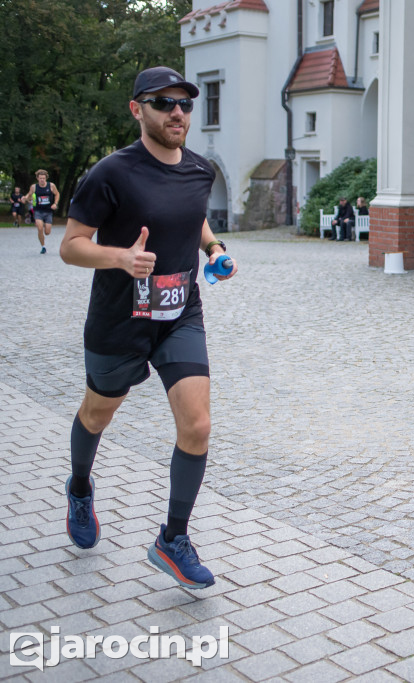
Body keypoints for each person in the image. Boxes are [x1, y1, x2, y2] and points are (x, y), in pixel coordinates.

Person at [59, 66, 237, 590]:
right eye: (163, 103)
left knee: (198, 425)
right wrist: (119, 258)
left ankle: (172, 539)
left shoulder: (200, 170)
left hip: (180, 312)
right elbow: (71, 245)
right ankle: (79, 487)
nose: (177, 112)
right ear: (138, 109)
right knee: (96, 414)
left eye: (184, 103)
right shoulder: (110, 173)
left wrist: (214, 249)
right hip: (120, 321)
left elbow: (195, 214)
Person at [26, 169, 60, 254]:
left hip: (48, 211)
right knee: (40, 228)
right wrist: (26, 198)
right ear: (37, 178)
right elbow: (29, 195)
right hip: (38, 210)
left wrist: (55, 203)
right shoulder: (34, 187)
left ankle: (45, 225)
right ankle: (43, 246)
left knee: (47, 232)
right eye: (40, 178)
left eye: (44, 178)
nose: (42, 180)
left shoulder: (51, 186)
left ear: (46, 178)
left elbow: (57, 194)